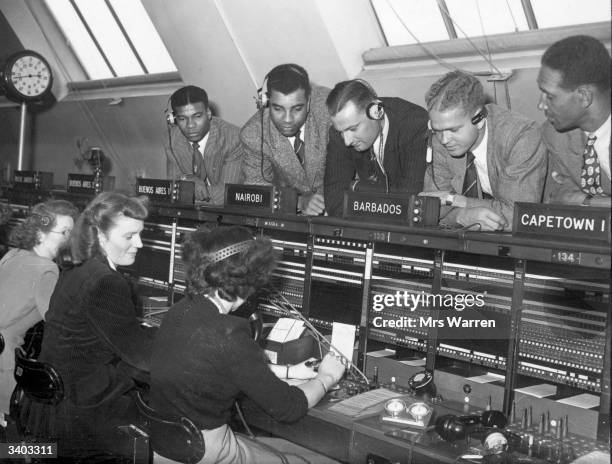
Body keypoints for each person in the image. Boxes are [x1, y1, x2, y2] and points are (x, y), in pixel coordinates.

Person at [150, 225, 346, 463]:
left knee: (278, 450)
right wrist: (326, 378)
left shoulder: (180, 311)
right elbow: (288, 408)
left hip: (167, 449)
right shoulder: (228, 333)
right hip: (206, 452)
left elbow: (215, 368)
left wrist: (288, 371)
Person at [27, 192, 154, 460]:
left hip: (50, 404)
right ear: (100, 235)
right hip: (82, 412)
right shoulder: (107, 281)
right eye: (129, 236)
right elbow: (142, 358)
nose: (139, 244)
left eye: (140, 234)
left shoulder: (77, 269)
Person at [421, 71, 547, 231]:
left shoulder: (521, 136)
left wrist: (460, 202)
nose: (444, 139)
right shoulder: (440, 140)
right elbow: (428, 208)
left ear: (479, 119)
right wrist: (462, 216)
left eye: (454, 130)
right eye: (437, 130)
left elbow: (519, 216)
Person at [0, 200, 77, 421]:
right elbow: (58, 324)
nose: (68, 239)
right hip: (6, 368)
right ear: (40, 234)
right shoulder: (47, 269)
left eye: (71, 232)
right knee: (22, 446)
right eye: (64, 232)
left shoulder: (12, 254)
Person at [324, 79, 429, 217]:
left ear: (376, 112)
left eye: (353, 129)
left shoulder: (414, 125)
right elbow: (334, 202)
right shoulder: (340, 133)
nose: (347, 141)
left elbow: (408, 201)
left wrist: (357, 189)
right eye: (341, 131)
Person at [241, 64, 330, 215]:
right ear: (266, 102)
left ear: (308, 102)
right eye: (278, 109)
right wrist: (299, 202)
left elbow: (352, 167)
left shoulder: (330, 109)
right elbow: (257, 190)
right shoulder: (253, 134)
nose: (288, 119)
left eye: (297, 109)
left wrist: (325, 197)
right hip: (293, 213)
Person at [538, 35, 611, 207]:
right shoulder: (554, 134)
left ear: (584, 96)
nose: (541, 105)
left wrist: (587, 201)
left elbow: (573, 199)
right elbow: (560, 197)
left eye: (549, 96)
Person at [165, 85, 244, 205]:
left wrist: (187, 190)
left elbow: (226, 195)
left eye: (197, 116)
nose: (190, 125)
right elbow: (173, 186)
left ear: (208, 113)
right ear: (173, 119)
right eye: (182, 119)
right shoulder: (172, 139)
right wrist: (186, 178)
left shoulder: (233, 138)